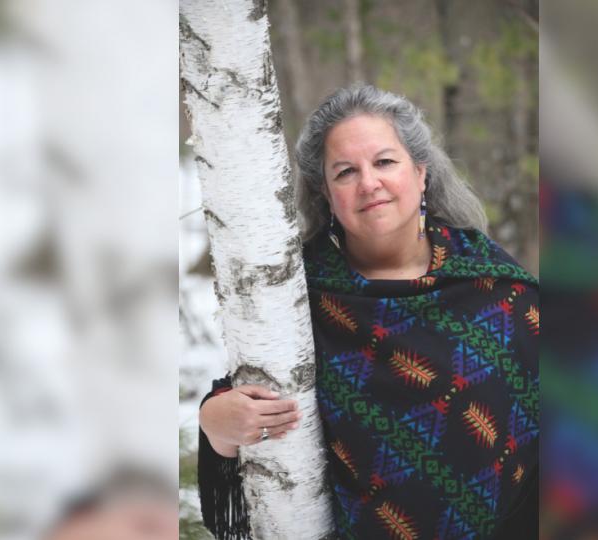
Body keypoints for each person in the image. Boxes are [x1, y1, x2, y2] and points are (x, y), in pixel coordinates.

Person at [198, 85, 538, 539]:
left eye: (384, 162)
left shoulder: (495, 287)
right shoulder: (296, 295)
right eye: (345, 172)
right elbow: (242, 406)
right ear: (325, 194)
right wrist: (215, 422)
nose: (368, 183)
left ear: (421, 173)